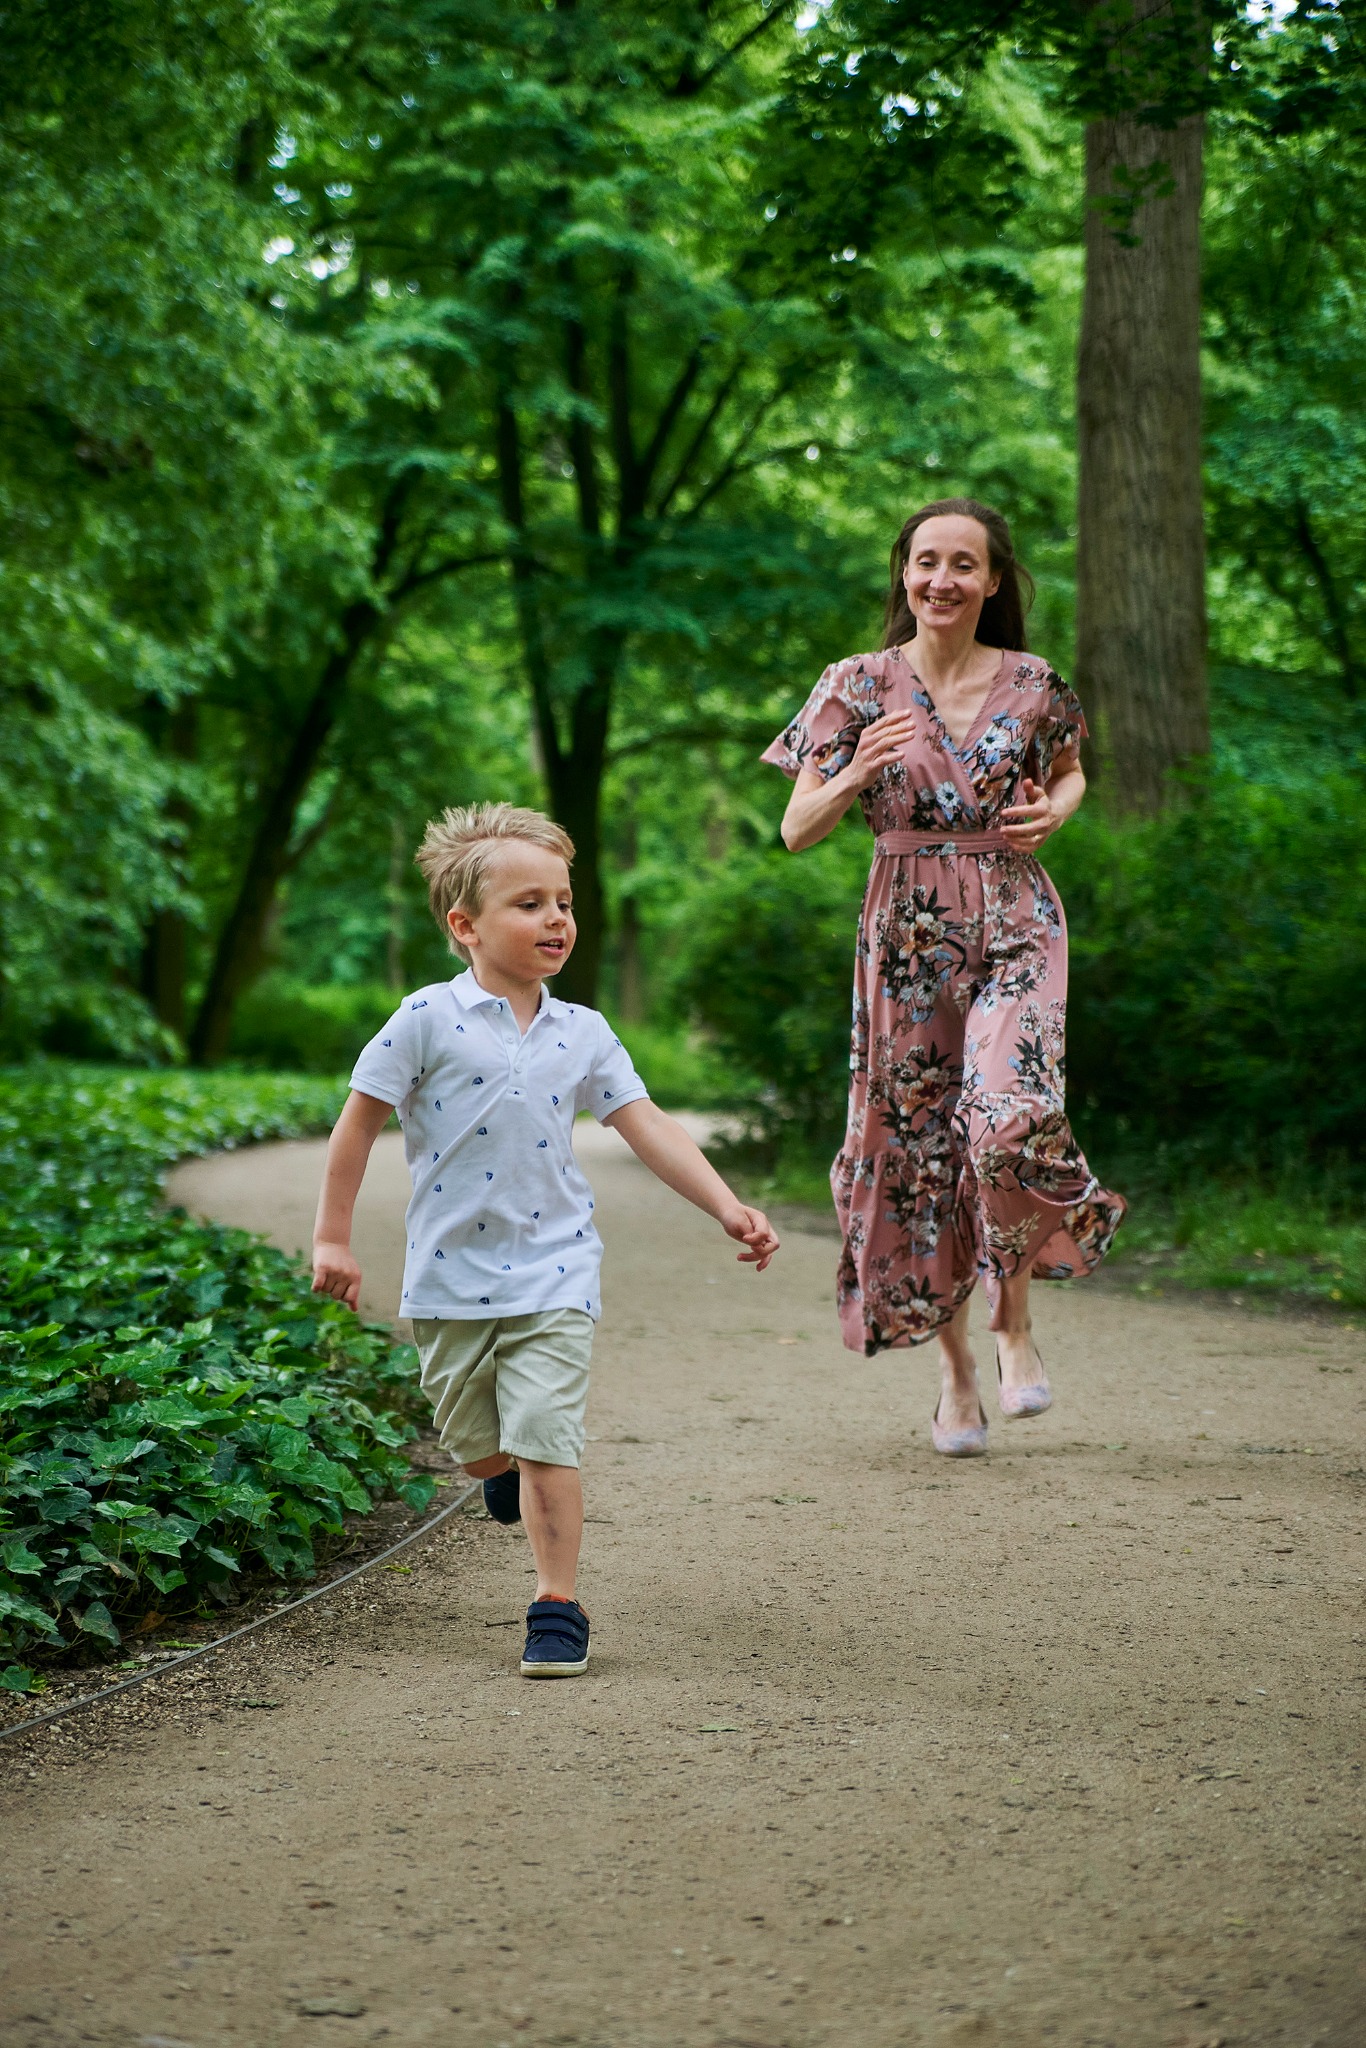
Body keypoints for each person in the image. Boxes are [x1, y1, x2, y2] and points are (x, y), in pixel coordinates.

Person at [310, 802, 779, 1677]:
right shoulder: (423, 1018)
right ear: (466, 926)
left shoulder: (583, 1031)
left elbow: (647, 1124)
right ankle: (502, 1469)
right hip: (448, 1277)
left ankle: (555, 1605)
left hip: (555, 1269)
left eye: (563, 902)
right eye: (529, 904)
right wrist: (332, 1239)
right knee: (479, 1449)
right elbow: (357, 1125)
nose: (556, 919)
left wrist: (725, 1204)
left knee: (548, 1442)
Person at [762, 498, 1124, 1455]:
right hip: (906, 933)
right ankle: (955, 1375)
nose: (942, 580)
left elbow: (1071, 769)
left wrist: (1058, 812)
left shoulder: (1035, 683)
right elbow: (796, 830)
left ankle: (1014, 1320)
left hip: (1016, 915)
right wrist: (855, 773)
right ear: (904, 572)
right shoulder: (854, 684)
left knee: (1007, 1116)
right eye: (926, 561)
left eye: (964, 564)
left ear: (993, 581)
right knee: (919, 1147)